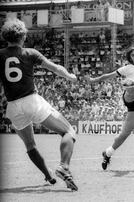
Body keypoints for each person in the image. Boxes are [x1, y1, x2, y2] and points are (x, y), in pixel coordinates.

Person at [0, 19, 78, 190]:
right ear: (23, 36)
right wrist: (70, 77)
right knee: (68, 131)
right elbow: (55, 68)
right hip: (31, 101)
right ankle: (63, 167)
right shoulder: (30, 53)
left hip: (13, 107)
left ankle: (49, 176)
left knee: (30, 145)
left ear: (6, 36)